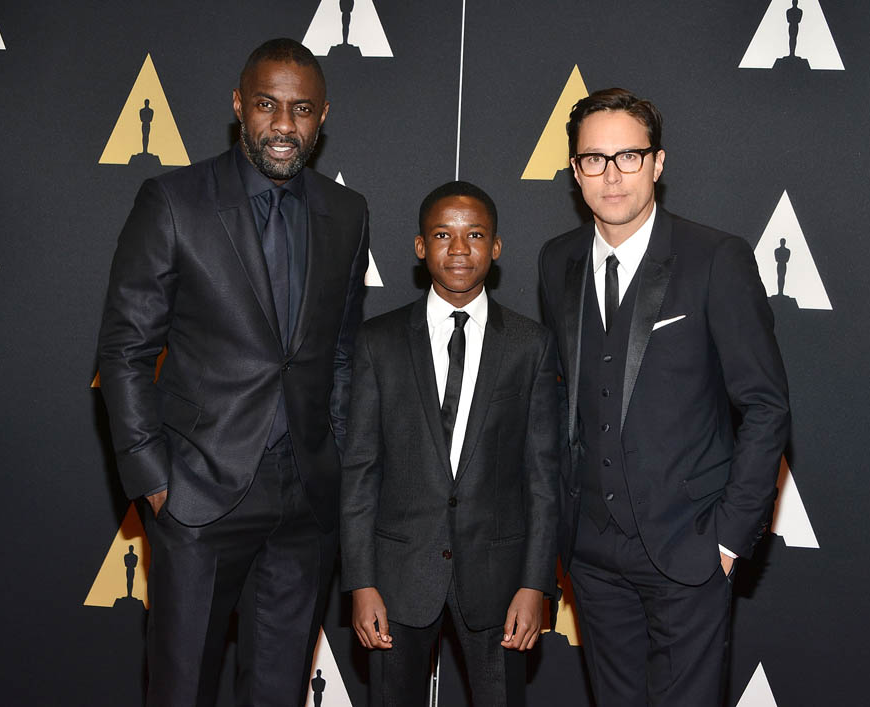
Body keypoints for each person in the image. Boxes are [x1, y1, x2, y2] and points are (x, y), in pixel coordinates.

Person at [97, 38, 370, 707]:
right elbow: (125, 348)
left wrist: (334, 456)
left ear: (323, 115)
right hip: (198, 494)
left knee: (279, 691)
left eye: (301, 109)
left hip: (306, 502)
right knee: (182, 688)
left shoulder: (347, 213)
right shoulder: (174, 201)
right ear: (239, 106)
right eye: (267, 105)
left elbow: (341, 350)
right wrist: (154, 481)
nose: (284, 124)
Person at [538, 88, 790, 706]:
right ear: (575, 171)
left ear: (657, 163)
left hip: (690, 547)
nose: (611, 174)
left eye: (628, 156)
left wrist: (726, 540)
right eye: (594, 159)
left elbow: (765, 405)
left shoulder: (715, 258)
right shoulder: (556, 260)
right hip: (591, 556)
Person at [341, 181, 559, 706]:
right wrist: (361, 582)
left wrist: (535, 585)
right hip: (396, 579)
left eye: (475, 235)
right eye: (443, 235)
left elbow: (543, 478)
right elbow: (360, 471)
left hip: (499, 583)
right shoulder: (379, 341)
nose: (459, 249)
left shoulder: (530, 344)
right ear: (421, 247)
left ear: (496, 247)